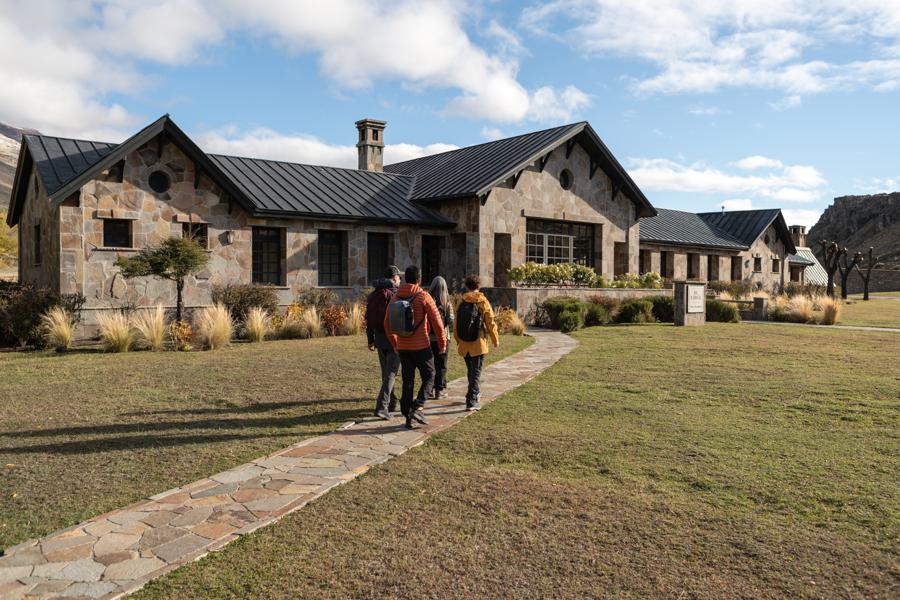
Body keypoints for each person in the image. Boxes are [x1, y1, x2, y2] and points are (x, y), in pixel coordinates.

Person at [384, 265, 447, 429]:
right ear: (419, 279)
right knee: (430, 375)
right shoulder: (423, 296)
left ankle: (408, 417)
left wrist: (395, 344)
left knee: (408, 381)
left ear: (405, 279)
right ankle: (418, 406)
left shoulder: (395, 297)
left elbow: (386, 324)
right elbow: (438, 324)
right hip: (421, 347)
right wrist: (442, 344)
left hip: (403, 348)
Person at [453, 274, 500, 411]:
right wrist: (495, 340)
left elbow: (456, 324)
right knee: (476, 372)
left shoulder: (462, 301)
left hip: (464, 343)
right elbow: (490, 322)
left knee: (471, 371)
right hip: (478, 343)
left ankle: (474, 393)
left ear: (467, 287)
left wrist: (458, 340)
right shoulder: (482, 301)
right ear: (479, 286)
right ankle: (471, 401)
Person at [365, 265, 401, 420]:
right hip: (393, 338)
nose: (400, 279)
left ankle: (393, 402)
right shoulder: (395, 294)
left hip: (379, 339)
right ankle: (382, 406)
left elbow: (368, 319)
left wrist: (370, 339)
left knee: (386, 373)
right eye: (399, 277)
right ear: (394, 278)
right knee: (392, 372)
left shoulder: (374, 294)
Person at [427, 276, 453, 399]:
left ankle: (430, 389)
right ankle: (439, 390)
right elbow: (451, 320)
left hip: (429, 338)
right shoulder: (446, 301)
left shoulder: (427, 299)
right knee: (442, 364)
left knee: (431, 364)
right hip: (443, 337)